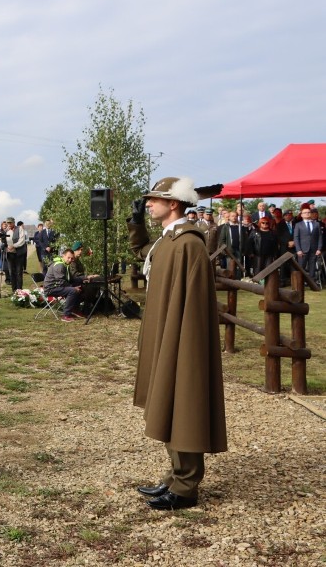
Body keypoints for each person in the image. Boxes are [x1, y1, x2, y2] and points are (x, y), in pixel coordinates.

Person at [127, 176, 226, 511]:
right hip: (165, 331)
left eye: (153, 200)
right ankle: (175, 476)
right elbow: (143, 252)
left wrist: (182, 341)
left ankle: (186, 486)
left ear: (174, 203)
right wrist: (135, 224)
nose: (148, 203)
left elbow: (195, 302)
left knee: (183, 402)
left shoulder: (189, 244)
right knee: (168, 401)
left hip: (182, 336)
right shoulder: (169, 240)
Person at [42, 248, 89, 322]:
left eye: (72, 258)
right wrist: (73, 287)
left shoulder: (65, 264)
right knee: (73, 291)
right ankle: (66, 315)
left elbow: (71, 279)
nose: (70, 260)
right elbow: (61, 282)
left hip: (57, 286)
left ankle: (75, 310)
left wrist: (84, 278)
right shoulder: (59, 266)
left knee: (80, 286)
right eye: (68, 257)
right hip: (51, 289)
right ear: (63, 256)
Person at [293, 206, 323, 285]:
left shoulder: (316, 224)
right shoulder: (298, 225)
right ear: (301, 215)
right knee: (301, 267)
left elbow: (320, 237)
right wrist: (298, 249)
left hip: (314, 249)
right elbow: (296, 238)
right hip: (302, 250)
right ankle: (300, 283)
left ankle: (312, 283)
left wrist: (319, 249)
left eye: (308, 212)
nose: (307, 214)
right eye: (305, 212)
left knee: (312, 266)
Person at [5, 217, 27, 292]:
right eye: (8, 223)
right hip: (10, 254)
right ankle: (14, 290)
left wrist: (14, 246)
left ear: (14, 222)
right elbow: (4, 241)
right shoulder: (6, 231)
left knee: (18, 272)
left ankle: (19, 290)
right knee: (11, 272)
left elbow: (22, 240)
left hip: (19, 254)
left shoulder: (20, 229)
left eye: (10, 223)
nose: (9, 224)